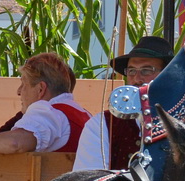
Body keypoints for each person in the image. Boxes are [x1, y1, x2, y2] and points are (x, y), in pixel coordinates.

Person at [73, 35, 172, 172]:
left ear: (167, 76)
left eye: (147, 70)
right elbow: (87, 180)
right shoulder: (102, 125)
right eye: (131, 71)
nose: (137, 79)